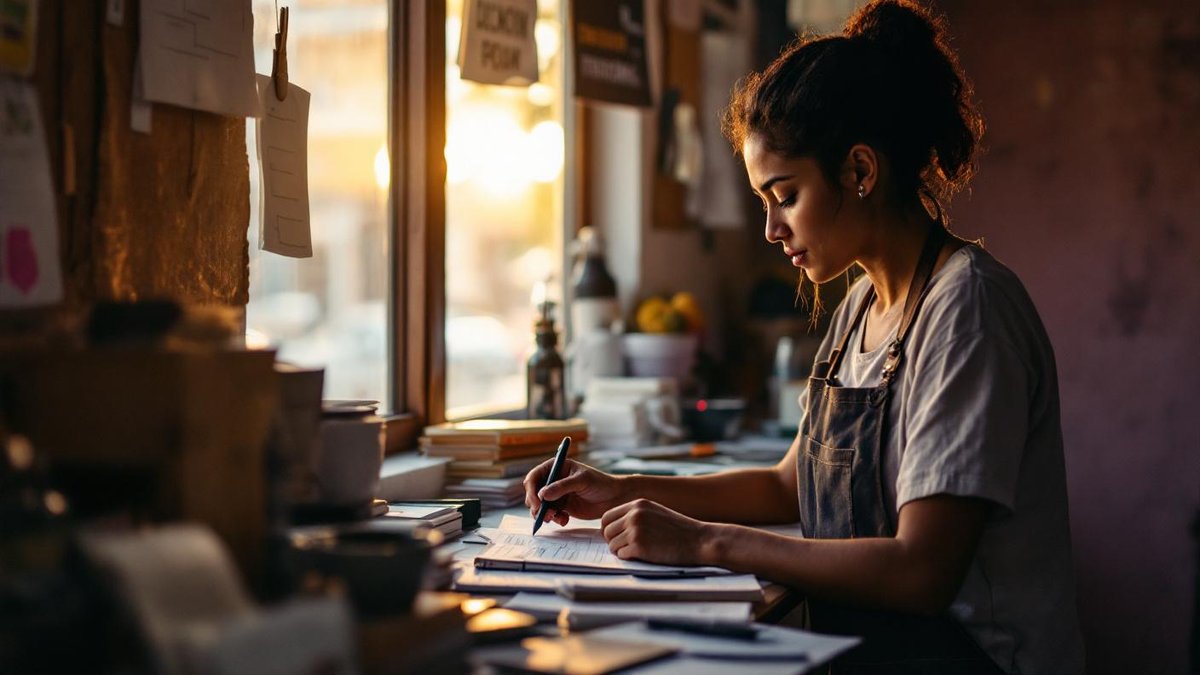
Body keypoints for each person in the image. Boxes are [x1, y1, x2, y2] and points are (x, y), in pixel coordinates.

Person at [523, 1, 1084, 672]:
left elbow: (920, 572)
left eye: (784, 195)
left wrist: (707, 542)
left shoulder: (968, 309)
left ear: (860, 172)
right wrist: (619, 488)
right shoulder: (858, 309)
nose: (771, 229)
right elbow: (787, 486)